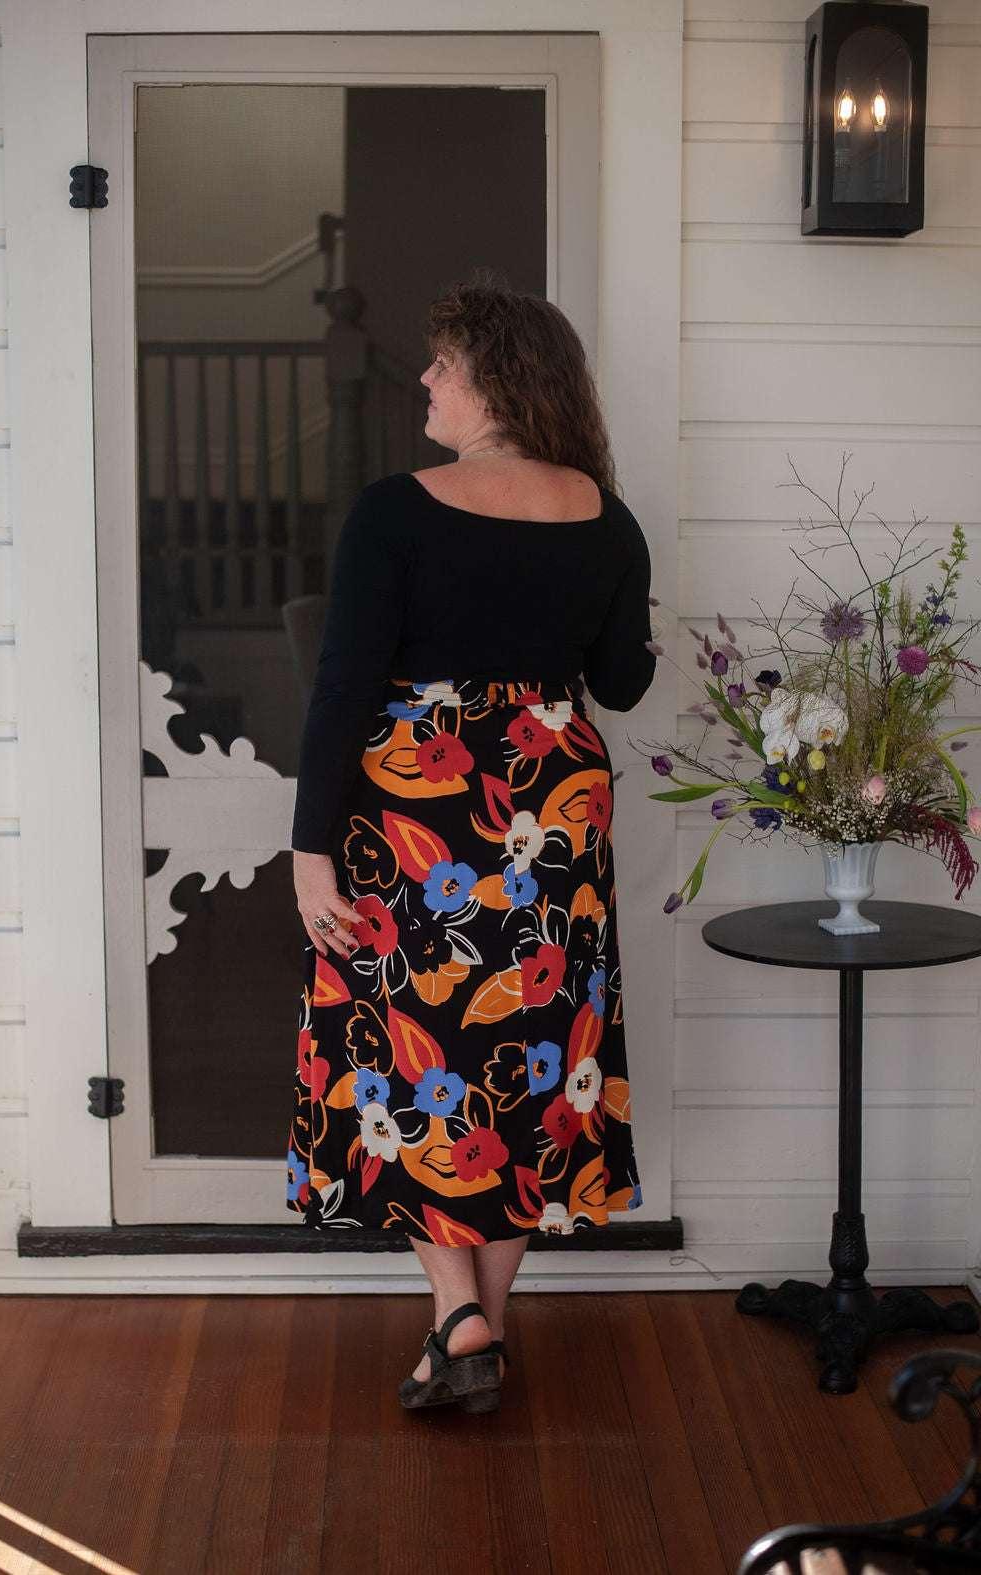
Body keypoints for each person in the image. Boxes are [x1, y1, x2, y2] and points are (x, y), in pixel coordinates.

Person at [286, 277, 657, 1413]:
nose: (425, 380)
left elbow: (345, 684)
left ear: (494, 377)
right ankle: (474, 1329)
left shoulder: (395, 511)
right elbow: (621, 683)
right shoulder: (606, 516)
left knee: (411, 1048)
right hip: (554, 798)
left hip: (422, 801)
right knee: (528, 1053)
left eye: (442, 365)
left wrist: (308, 848)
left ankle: (458, 1316)